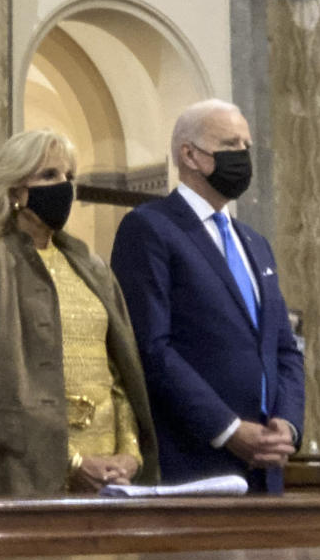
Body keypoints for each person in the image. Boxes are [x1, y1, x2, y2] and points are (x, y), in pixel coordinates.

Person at [0, 129, 158, 495]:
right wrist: (70, 461)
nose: (64, 186)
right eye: (49, 175)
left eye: (69, 177)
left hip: (112, 479)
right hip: (25, 474)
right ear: (15, 191)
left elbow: (119, 374)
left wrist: (130, 453)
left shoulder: (92, 266)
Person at [110, 99, 305, 494]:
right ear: (190, 155)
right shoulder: (150, 228)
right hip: (194, 458)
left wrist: (287, 423)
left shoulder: (255, 242)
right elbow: (152, 347)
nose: (244, 157)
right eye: (232, 145)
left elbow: (284, 347)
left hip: (267, 463)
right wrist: (228, 428)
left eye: (247, 147)